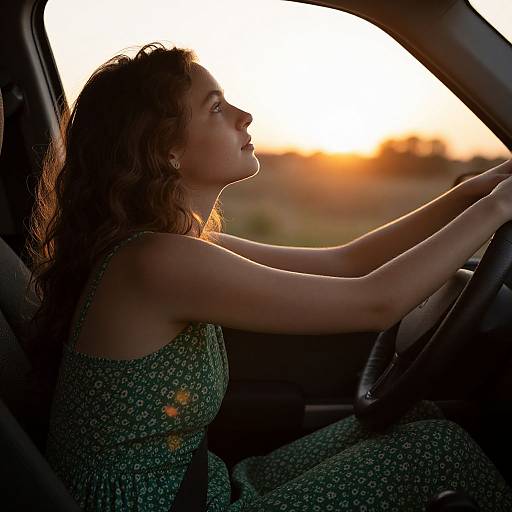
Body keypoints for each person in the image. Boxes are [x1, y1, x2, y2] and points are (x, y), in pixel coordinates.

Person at [22, 41, 512, 511]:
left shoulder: (170, 249)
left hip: (197, 491)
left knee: (419, 418)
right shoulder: (158, 262)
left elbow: (347, 262)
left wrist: (469, 196)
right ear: (165, 150)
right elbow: (377, 302)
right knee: (435, 452)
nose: (244, 115)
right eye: (215, 107)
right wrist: (500, 207)